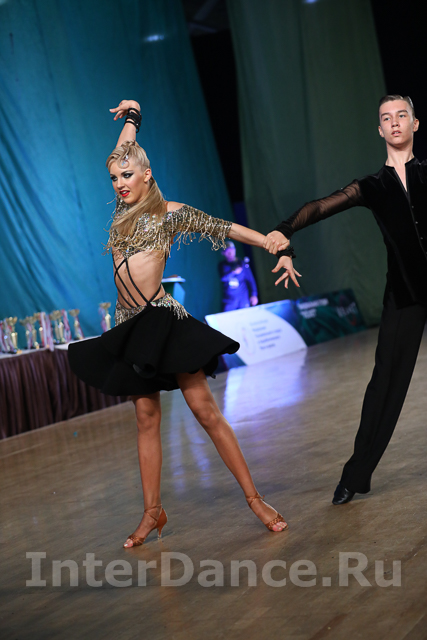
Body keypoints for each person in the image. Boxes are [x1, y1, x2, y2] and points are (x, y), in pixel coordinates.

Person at [68, 99, 296, 547]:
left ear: (147, 175)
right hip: (129, 326)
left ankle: (254, 498)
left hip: (163, 324)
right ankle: (152, 512)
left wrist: (273, 243)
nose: (120, 183)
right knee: (145, 417)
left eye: (127, 176)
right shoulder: (121, 212)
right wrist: (132, 116)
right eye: (114, 178)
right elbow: (123, 152)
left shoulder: (170, 214)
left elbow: (224, 228)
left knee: (204, 411)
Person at [265, 95, 427, 505]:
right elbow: (320, 206)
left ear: (415, 124)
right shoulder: (372, 186)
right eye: (386, 118)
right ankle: (355, 475)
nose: (394, 122)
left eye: (402, 115)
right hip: (405, 294)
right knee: (384, 385)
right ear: (379, 130)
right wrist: (285, 230)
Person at [218, 240, 258, 311]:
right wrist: (233, 272)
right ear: (224, 253)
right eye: (227, 251)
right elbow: (223, 278)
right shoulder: (222, 265)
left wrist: (254, 294)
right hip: (229, 301)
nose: (230, 253)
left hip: (243, 300)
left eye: (232, 250)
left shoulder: (242, 264)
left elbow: (250, 280)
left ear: (235, 250)